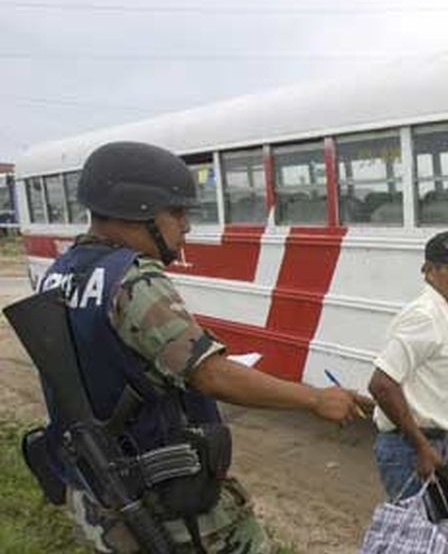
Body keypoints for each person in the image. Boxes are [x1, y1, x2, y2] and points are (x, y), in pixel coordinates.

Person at [32, 141, 367, 553]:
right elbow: (210, 374)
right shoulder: (132, 279)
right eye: (176, 213)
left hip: (101, 491)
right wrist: (315, 399)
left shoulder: (62, 271)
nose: (186, 226)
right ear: (137, 210)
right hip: (164, 501)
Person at [367, 230, 448, 500]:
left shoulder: (441, 314)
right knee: (417, 526)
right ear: (429, 271)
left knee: (433, 525)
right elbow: (381, 384)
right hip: (411, 448)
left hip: (427, 443)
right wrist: (421, 447)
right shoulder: (425, 317)